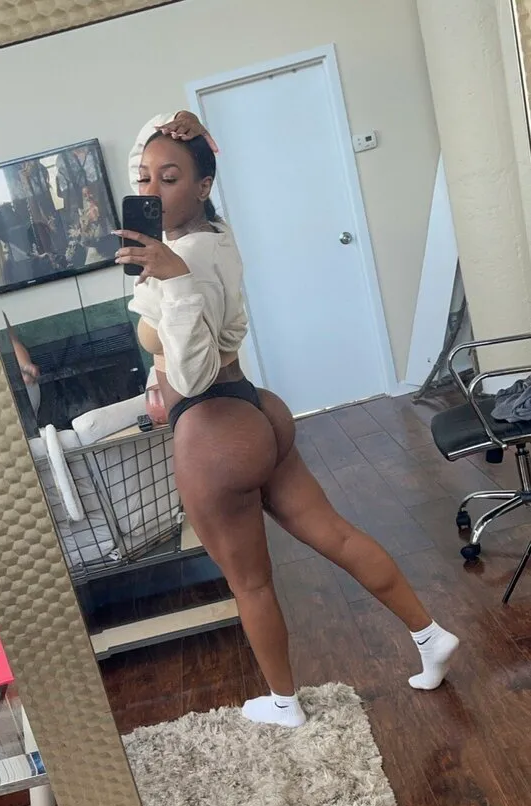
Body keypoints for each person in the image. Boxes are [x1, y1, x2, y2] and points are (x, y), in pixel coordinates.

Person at [114, 111, 460, 729]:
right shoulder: (215, 234)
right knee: (337, 534)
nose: (150, 191)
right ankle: (430, 635)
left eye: (169, 179)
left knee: (250, 584)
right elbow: (169, 171)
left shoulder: (181, 261)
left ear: (202, 186)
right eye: (143, 178)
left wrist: (173, 282)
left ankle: (283, 704)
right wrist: (173, 127)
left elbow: (192, 375)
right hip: (256, 409)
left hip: (213, 430)